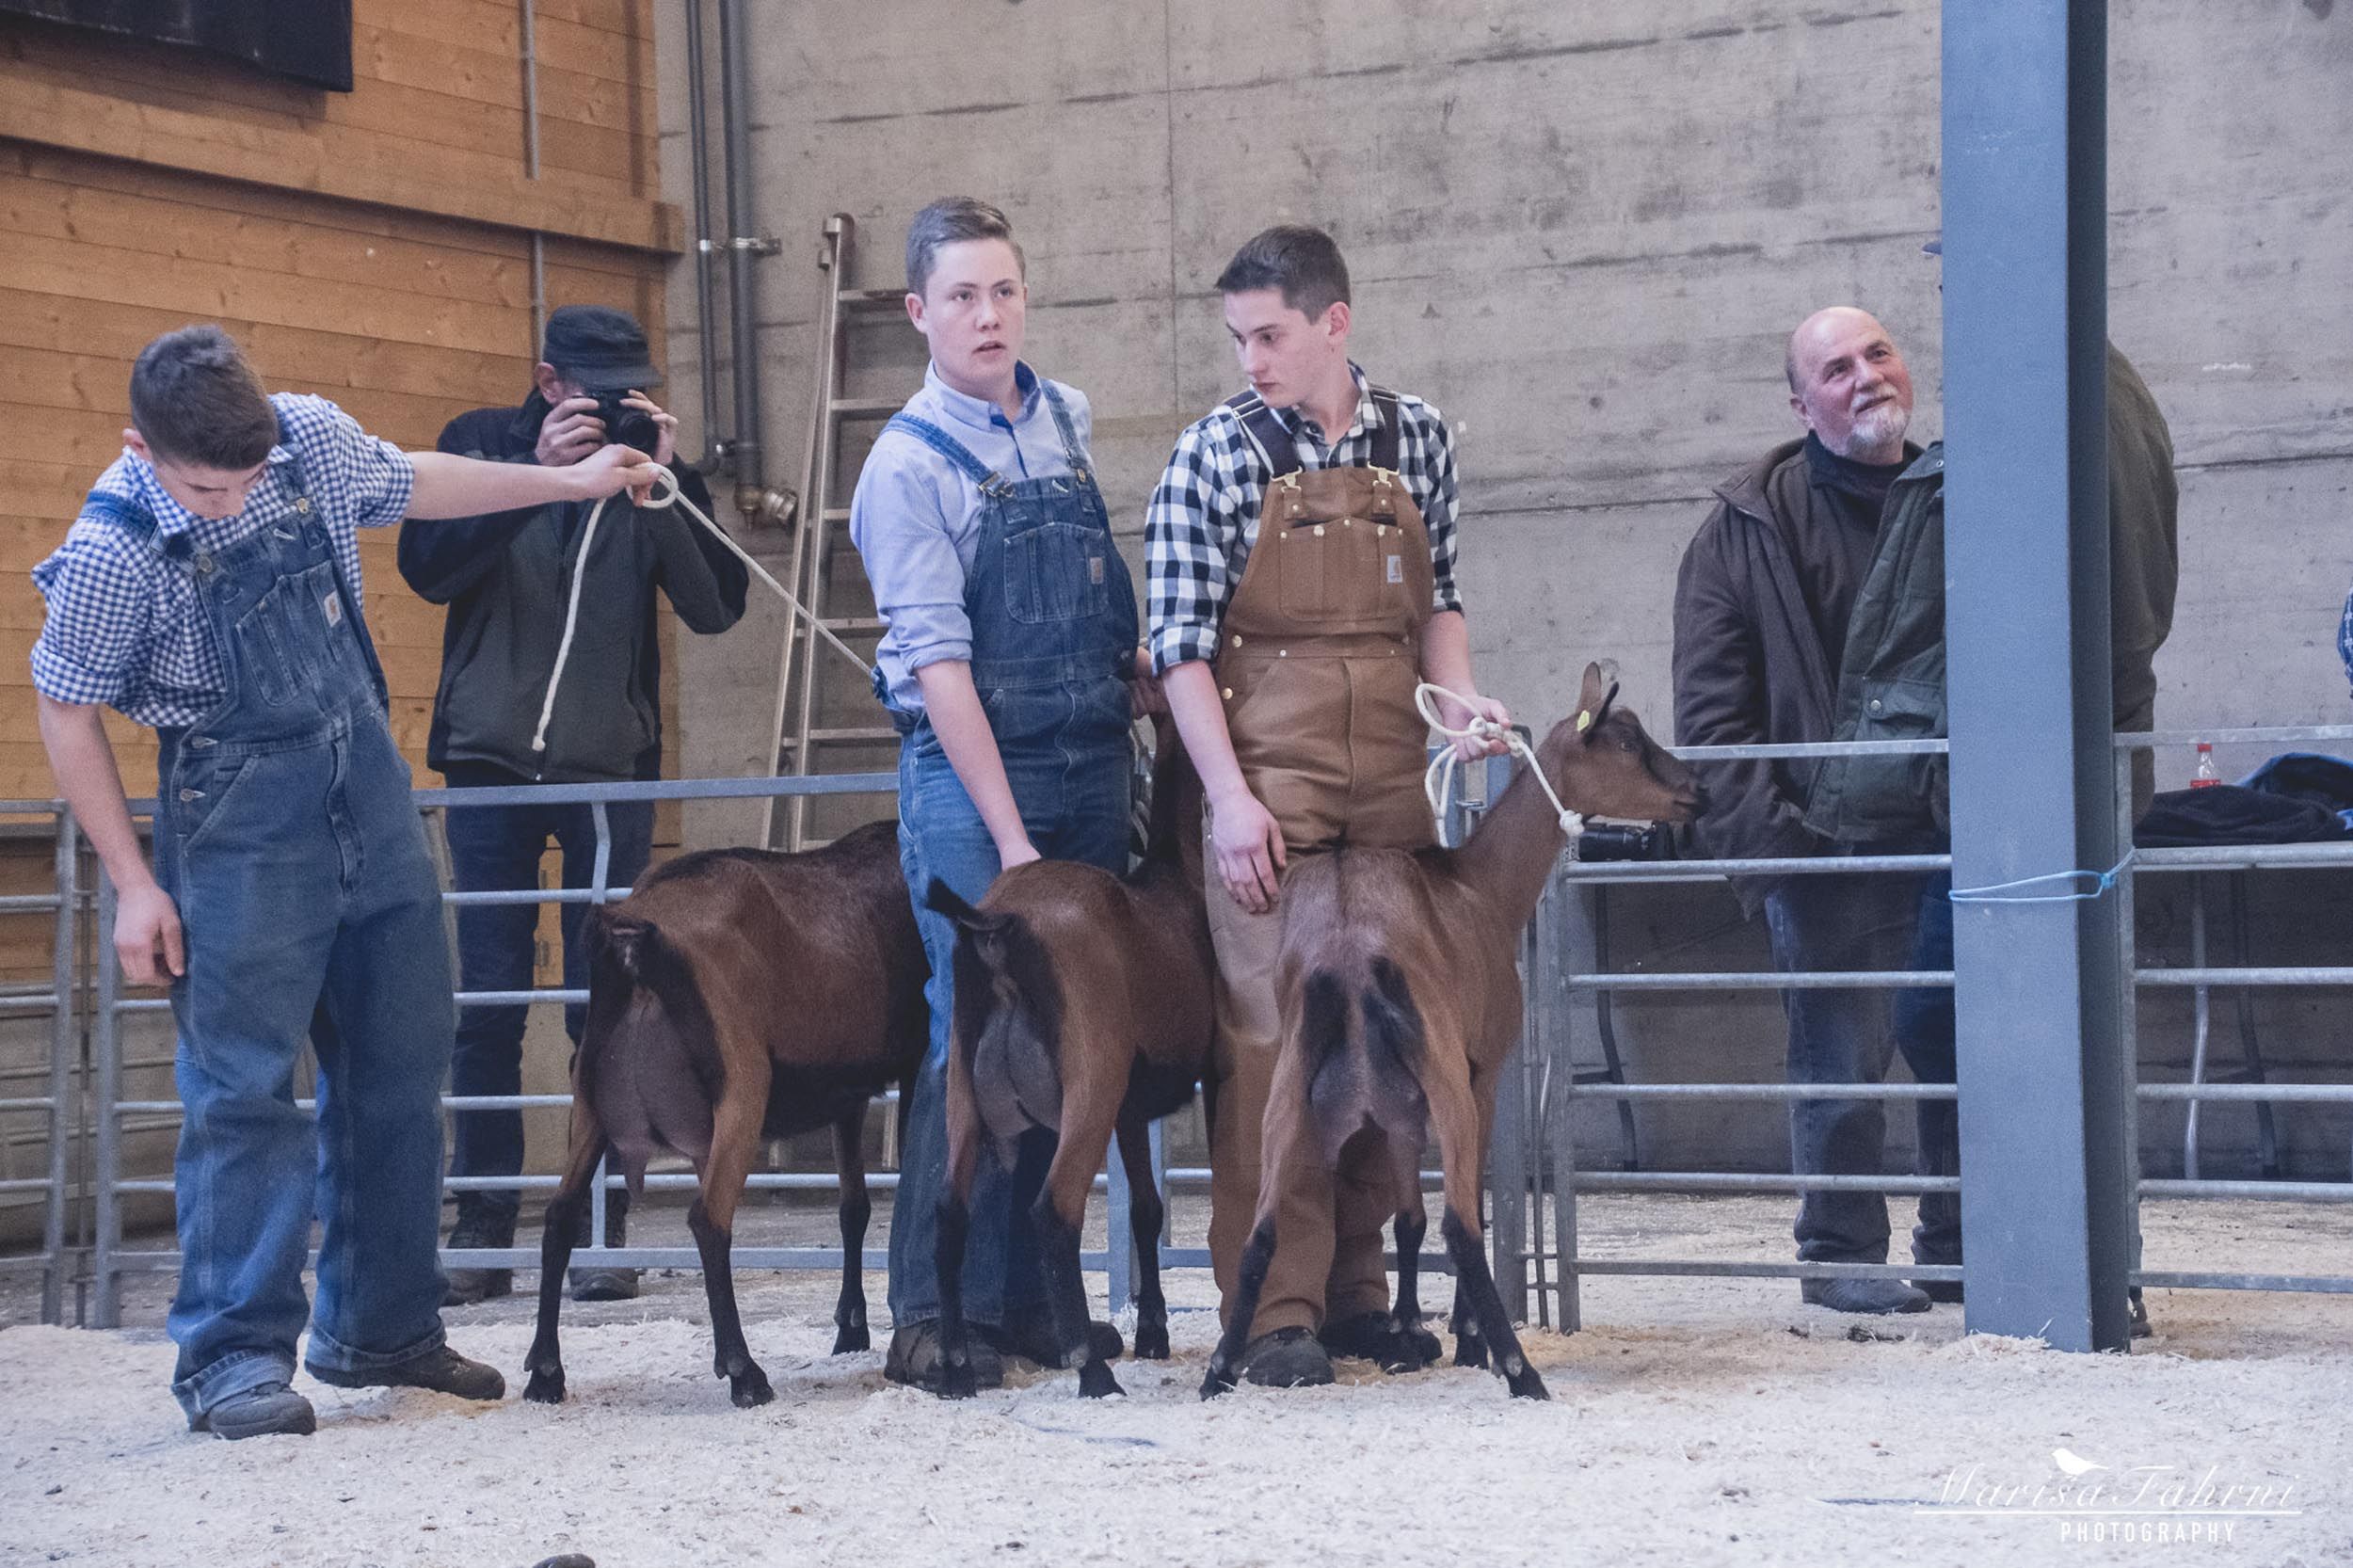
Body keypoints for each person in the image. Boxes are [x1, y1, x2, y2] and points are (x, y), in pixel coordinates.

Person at [30, 325, 662, 1439]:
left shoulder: (307, 438)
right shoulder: (111, 548)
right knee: (244, 1089)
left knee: (402, 1060)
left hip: (369, 788)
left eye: (247, 475)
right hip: (237, 821)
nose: (232, 501)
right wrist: (133, 883)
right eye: (205, 488)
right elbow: (65, 706)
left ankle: (384, 1325)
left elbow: (415, 481)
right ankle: (232, 1356)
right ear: (141, 447)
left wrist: (566, 482)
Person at [1147, 224, 1510, 1387]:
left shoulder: (1419, 438)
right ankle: (1272, 1308)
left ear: (1333, 323)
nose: (1250, 359)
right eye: (1238, 339)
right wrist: (1226, 801)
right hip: (1270, 788)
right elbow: (1178, 650)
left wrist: (1459, 702)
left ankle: (1359, 1293)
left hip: (1395, 785)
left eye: (1269, 335)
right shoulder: (1210, 456)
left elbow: (1438, 602)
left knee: (1386, 1029)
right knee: (1272, 1043)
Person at [850, 198, 1146, 1393]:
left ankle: (1030, 1302)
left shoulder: (1064, 417)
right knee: (969, 1032)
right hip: (978, 780)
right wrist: (1014, 844)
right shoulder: (905, 465)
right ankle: (932, 1310)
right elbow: (940, 669)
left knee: (1068, 1032)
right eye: (962, 296)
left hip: (1092, 755)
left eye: (1005, 291)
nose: (988, 315)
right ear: (918, 313)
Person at [398, 305, 748, 1306]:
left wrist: (666, 493)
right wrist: (539, 477)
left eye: (634, 391)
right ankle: (482, 1222)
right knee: (489, 1000)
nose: (616, 409)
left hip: (608, 771)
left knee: (602, 1005)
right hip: (488, 767)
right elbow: (427, 574)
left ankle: (599, 1221)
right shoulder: (479, 446)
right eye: (597, 393)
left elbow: (719, 609)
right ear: (550, 382)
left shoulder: (655, 473)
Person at [1672, 306, 1952, 1315]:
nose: (1866, 375)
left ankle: (1963, 1244)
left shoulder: (1960, 496)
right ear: (1800, 406)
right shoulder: (1744, 531)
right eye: (1836, 368)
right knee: (1839, 1057)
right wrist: (1780, 852)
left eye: (1878, 353)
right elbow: (1713, 719)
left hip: (1951, 833)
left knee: (1963, 1041)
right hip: (1823, 846)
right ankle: (1841, 1253)